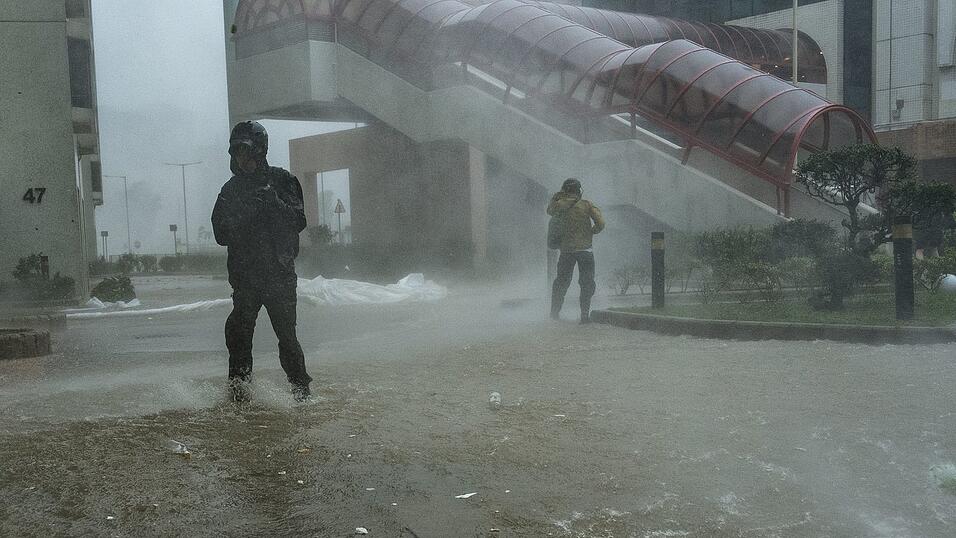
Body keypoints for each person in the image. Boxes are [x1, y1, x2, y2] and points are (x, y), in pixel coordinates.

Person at [212, 121, 312, 402]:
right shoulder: (230, 190)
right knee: (238, 336)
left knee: (287, 339)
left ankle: (301, 393)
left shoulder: (282, 181)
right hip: (246, 278)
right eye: (236, 152)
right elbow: (220, 233)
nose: (241, 158)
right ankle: (239, 396)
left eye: (245, 151)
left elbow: (299, 221)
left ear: (260, 150)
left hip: (279, 276)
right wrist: (246, 213)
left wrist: (273, 203)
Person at [548, 178, 605, 323]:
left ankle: (554, 315)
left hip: (566, 251)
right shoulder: (586, 205)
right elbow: (601, 223)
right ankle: (584, 316)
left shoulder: (559, 205)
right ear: (579, 190)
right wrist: (592, 232)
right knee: (586, 282)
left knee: (561, 282)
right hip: (585, 251)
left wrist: (557, 196)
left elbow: (549, 210)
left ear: (564, 190)